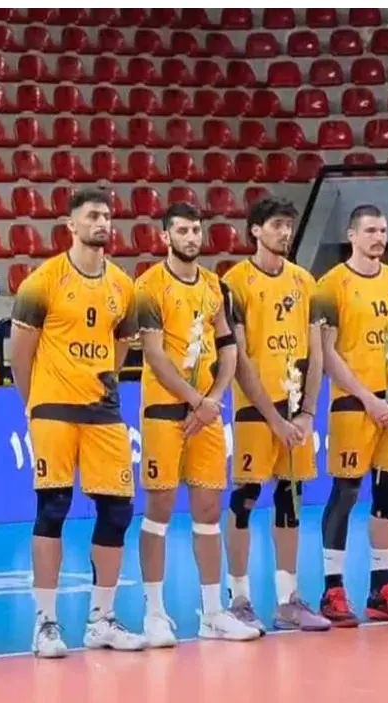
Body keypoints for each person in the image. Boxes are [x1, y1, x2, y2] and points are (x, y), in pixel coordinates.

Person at [10, 188, 145, 658]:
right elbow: (19, 355)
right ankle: (45, 623)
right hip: (53, 408)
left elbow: (122, 342)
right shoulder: (43, 281)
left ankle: (101, 619)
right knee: (53, 508)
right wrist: (35, 403)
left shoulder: (123, 285)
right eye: (92, 216)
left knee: (118, 511)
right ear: (71, 225)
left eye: (107, 215)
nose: (102, 223)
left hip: (102, 410)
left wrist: (102, 377)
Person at [135, 202, 260, 646]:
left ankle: (212, 613)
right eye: (183, 231)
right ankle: (154, 612)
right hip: (164, 412)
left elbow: (228, 347)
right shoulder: (149, 286)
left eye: (196, 230)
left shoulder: (214, 285)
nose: (192, 237)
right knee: (160, 509)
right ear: (165, 236)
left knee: (208, 510)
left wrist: (214, 398)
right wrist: (194, 401)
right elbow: (154, 355)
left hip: (206, 412)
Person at [220, 197, 332, 633]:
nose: (285, 232)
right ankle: (239, 597)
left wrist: (306, 413)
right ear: (255, 230)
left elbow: (316, 354)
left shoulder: (305, 281)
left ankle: (288, 599)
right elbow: (240, 359)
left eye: (289, 225)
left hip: (295, 411)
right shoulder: (235, 282)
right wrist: (273, 418)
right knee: (244, 500)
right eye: (277, 225)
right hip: (255, 410)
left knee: (290, 501)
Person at [315, 204, 388, 625]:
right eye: (370, 231)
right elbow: (327, 352)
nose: (379, 237)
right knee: (345, 492)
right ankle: (333, 591)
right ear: (351, 235)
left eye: (383, 230)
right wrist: (366, 397)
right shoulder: (332, 285)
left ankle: (382, 590)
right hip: (353, 403)